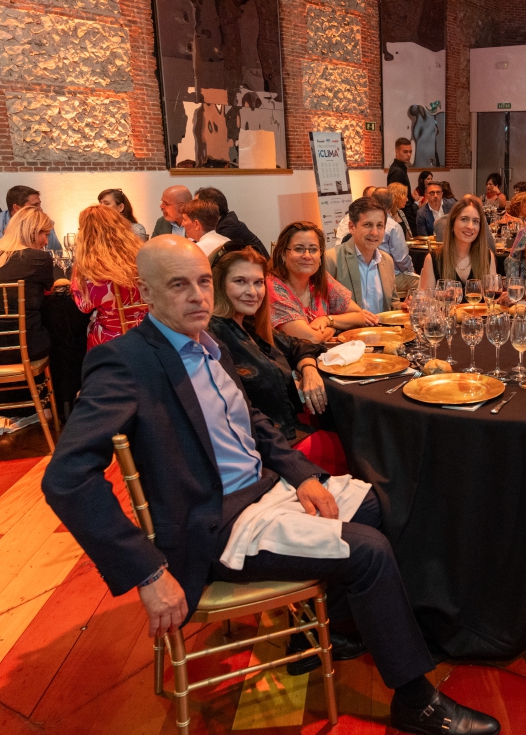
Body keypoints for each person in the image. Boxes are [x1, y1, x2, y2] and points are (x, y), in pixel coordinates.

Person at [40, 236, 501, 735]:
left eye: (202, 282)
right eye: (178, 285)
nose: (197, 296)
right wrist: (148, 572)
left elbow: (254, 423)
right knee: (368, 551)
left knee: (384, 504)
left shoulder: (207, 343)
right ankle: (416, 702)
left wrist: (302, 476)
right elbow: (66, 479)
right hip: (217, 523)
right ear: (147, 293)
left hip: (264, 491)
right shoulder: (126, 361)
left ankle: (334, 630)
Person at [208, 248, 345, 476]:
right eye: (240, 281)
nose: (252, 292)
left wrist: (308, 369)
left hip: (290, 433)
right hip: (270, 452)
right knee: (359, 446)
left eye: (258, 282)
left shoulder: (249, 324)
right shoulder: (214, 337)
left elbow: (301, 345)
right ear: (219, 285)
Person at [268, 221, 378, 344]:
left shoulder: (320, 278)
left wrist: (327, 320)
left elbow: (359, 315)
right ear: (283, 254)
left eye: (313, 249)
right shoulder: (273, 286)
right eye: (298, 249)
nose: (307, 256)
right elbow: (311, 339)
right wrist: (334, 327)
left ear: (320, 255)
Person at [71, 205, 148, 348]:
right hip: (149, 332)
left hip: (112, 340)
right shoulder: (142, 254)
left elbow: (84, 306)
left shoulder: (93, 267)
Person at [0, 207, 54, 366]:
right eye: (46, 234)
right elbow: (49, 290)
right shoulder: (39, 259)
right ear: (33, 231)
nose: (47, 242)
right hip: (27, 349)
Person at [325, 197, 401, 313]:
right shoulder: (332, 259)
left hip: (382, 324)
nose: (374, 232)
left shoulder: (387, 260)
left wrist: (403, 306)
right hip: (350, 325)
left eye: (379, 225)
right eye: (367, 225)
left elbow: (391, 303)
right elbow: (324, 310)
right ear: (352, 227)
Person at [420, 196, 497, 289]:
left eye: (475, 221)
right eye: (464, 219)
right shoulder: (433, 259)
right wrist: (441, 296)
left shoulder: (487, 256)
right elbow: (425, 297)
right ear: (452, 224)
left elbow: (493, 295)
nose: (470, 226)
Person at [195, 187, 269, 258]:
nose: (194, 210)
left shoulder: (228, 226)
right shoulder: (224, 221)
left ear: (209, 207)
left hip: (259, 265)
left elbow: (213, 253)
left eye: (196, 205)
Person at [0, 185, 63, 251]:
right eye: (34, 205)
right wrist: (8, 233)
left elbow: (56, 253)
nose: (40, 209)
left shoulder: (44, 223)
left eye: (39, 204)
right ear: (17, 208)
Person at [387, 137, 418, 231]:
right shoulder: (397, 171)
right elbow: (396, 197)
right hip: (404, 213)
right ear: (397, 152)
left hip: (405, 212)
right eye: (405, 152)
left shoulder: (400, 168)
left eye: (410, 152)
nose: (409, 155)